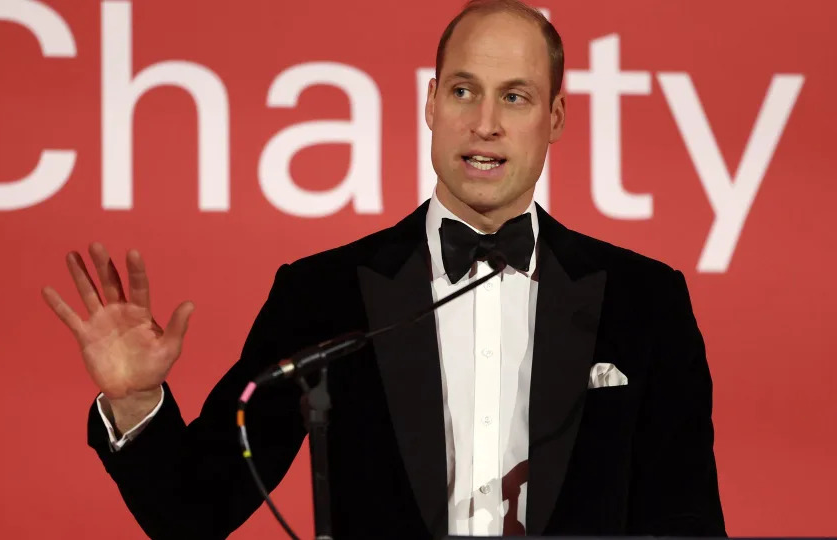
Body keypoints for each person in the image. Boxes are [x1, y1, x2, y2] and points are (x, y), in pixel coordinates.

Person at [41, 1, 726, 538]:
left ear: (555, 118)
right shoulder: (322, 294)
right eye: (464, 91)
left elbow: (687, 523)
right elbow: (194, 512)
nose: (484, 123)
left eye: (514, 97)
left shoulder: (647, 302)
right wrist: (136, 403)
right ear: (431, 104)